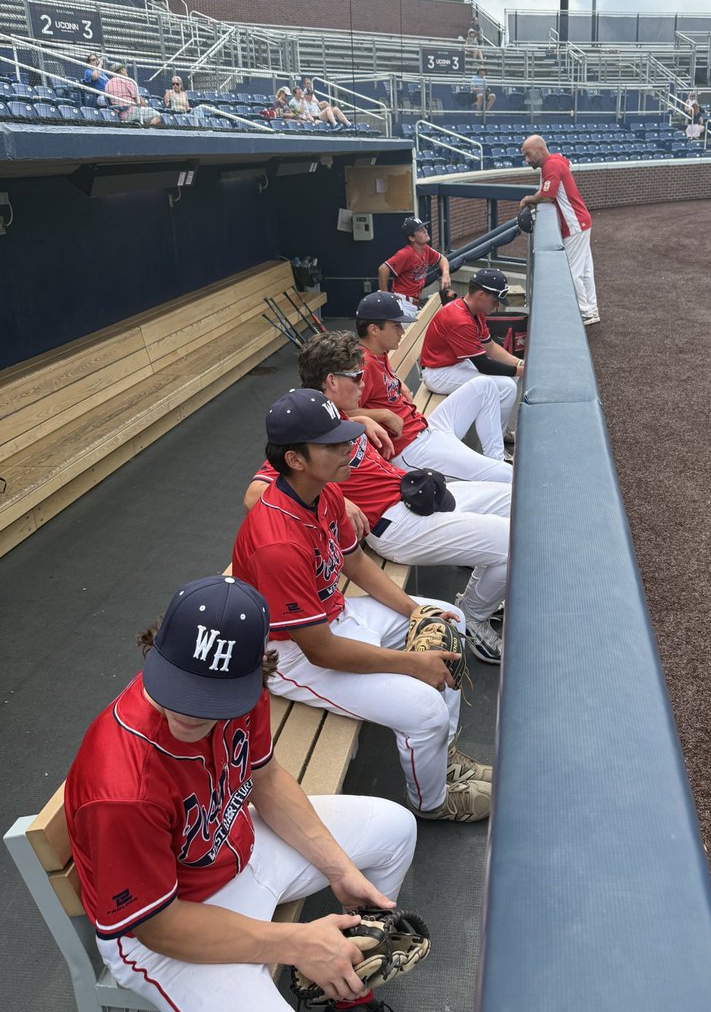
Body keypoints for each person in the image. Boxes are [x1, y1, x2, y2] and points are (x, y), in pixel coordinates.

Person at [64, 573, 417, 1012]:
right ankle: (323, 961)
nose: (191, 709)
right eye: (184, 684)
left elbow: (265, 778)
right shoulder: (122, 784)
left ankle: (345, 986)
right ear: (156, 650)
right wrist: (295, 943)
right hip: (165, 929)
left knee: (396, 828)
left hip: (236, 848)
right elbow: (158, 927)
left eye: (214, 696)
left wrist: (337, 868)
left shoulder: (246, 696)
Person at [232, 389, 496, 814]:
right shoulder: (276, 542)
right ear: (295, 460)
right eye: (332, 444)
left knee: (447, 618)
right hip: (290, 657)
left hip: (331, 615)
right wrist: (411, 664)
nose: (346, 448)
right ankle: (433, 803)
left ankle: (441, 759)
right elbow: (320, 651)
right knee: (425, 709)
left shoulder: (325, 491)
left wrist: (416, 611)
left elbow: (354, 562)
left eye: (343, 438)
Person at [242, 353, 511, 665]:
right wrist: (339, 497)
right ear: (331, 381)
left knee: (513, 499)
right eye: (356, 376)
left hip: (415, 495)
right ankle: (474, 617)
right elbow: (254, 493)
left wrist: (364, 417)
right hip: (395, 523)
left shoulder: (336, 418)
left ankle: (480, 581)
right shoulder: (305, 435)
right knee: (512, 542)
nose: (363, 381)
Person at [354, 290, 512, 481]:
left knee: (485, 385)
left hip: (426, 427)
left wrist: (398, 383)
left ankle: (495, 458)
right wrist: (382, 414)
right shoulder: (363, 364)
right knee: (508, 477)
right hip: (411, 450)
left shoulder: (379, 352)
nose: (402, 332)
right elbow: (338, 412)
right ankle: (495, 469)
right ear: (374, 329)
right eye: (396, 325)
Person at [420, 267, 521, 432]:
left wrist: (520, 363)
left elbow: (490, 347)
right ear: (481, 294)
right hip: (438, 373)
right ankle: (497, 442)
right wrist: (520, 370)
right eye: (495, 300)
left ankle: (494, 431)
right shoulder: (459, 319)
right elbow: (483, 365)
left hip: (456, 365)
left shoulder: (475, 310)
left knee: (511, 379)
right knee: (507, 387)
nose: (496, 306)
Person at [519, 134, 599, 326]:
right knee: (585, 270)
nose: (527, 160)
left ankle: (585, 311)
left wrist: (528, 199)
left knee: (573, 271)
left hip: (573, 223)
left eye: (529, 155)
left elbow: (547, 195)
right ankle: (591, 309)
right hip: (578, 221)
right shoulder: (553, 162)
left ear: (540, 150)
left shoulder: (552, 164)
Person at [377, 216, 450, 309]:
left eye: (424, 227)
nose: (425, 231)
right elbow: (383, 269)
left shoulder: (425, 249)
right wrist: (385, 297)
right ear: (412, 238)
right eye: (420, 230)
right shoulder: (405, 253)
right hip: (402, 303)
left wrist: (446, 273)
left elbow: (442, 259)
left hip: (413, 303)